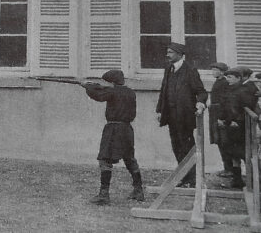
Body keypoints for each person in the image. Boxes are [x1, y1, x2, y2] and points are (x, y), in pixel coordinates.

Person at [81, 70, 144, 205]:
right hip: (127, 129)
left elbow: (98, 95)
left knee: (105, 159)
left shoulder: (112, 91)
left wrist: (86, 86)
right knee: (129, 159)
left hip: (113, 129)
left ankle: (104, 195)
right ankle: (138, 191)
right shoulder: (130, 92)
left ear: (112, 82)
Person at [156, 42, 208, 188]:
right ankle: (183, 177)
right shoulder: (168, 68)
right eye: (167, 52)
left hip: (185, 117)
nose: (167, 55)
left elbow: (201, 92)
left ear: (180, 54)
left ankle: (192, 179)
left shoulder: (190, 70)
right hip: (171, 116)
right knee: (176, 146)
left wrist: (200, 103)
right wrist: (160, 110)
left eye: (171, 52)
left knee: (187, 146)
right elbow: (163, 89)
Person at [220, 68, 247, 188]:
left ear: (238, 78)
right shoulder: (229, 90)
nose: (228, 79)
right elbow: (226, 107)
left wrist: (232, 121)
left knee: (244, 154)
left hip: (239, 126)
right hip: (230, 125)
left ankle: (254, 180)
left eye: (230, 77)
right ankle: (237, 180)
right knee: (233, 154)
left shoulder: (242, 90)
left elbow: (243, 109)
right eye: (227, 77)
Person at [208, 62, 232, 178]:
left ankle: (229, 169)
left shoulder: (225, 83)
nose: (213, 72)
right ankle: (227, 168)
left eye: (215, 69)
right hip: (215, 114)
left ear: (222, 72)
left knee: (224, 142)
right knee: (220, 142)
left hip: (220, 116)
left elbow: (225, 102)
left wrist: (221, 117)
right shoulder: (218, 82)